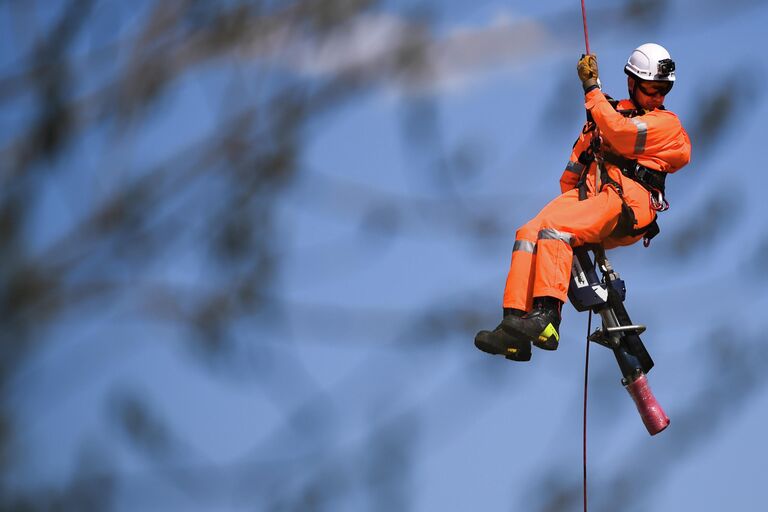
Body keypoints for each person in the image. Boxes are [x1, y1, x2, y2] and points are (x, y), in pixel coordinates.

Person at [474, 43, 691, 362]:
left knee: (556, 229)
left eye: (663, 90)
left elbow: (623, 135)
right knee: (530, 231)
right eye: (652, 89)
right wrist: (578, 200)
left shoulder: (665, 124)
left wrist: (592, 91)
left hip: (628, 201)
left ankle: (547, 320)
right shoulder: (606, 116)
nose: (658, 97)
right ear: (633, 82)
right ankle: (514, 326)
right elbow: (571, 174)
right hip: (597, 195)